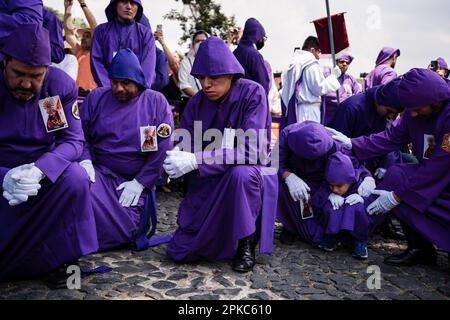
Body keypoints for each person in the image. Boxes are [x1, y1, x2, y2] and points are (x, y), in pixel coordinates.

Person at [164, 37, 277, 273]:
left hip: (245, 171)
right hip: (208, 176)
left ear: (231, 74)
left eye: (213, 78)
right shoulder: (196, 103)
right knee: (180, 251)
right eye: (201, 78)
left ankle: (246, 241)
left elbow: (252, 150)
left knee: (241, 174)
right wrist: (177, 156)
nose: (206, 84)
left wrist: (197, 159)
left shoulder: (253, 94)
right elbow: (186, 143)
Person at [0, 24, 98, 283]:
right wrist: (4, 177)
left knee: (75, 178)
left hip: (39, 172)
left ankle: (60, 258)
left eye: (36, 76)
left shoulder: (54, 87)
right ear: (5, 61)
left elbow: (73, 140)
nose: (26, 83)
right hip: (2, 172)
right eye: (19, 73)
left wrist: (41, 169)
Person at [329, 68, 450, 266]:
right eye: (409, 109)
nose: (413, 114)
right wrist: (354, 144)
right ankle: (420, 248)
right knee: (397, 175)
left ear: (434, 101)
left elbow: (441, 164)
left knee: (402, 190)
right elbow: (391, 137)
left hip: (443, 174)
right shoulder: (414, 110)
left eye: (418, 109)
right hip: (429, 175)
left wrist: (397, 196)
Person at [79, 48, 173, 251]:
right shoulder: (96, 98)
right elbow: (81, 135)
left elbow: (163, 149)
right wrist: (85, 161)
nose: (119, 88)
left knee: (125, 229)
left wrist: (141, 182)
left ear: (138, 81)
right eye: (114, 82)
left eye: (126, 83)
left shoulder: (155, 102)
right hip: (100, 175)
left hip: (134, 180)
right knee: (77, 191)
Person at [276, 121, 374, 246]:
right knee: (279, 187)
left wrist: (367, 177)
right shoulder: (286, 136)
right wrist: (287, 176)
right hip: (295, 182)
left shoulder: (335, 143)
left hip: (325, 185)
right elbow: (273, 163)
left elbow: (352, 165)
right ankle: (291, 226)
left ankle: (332, 233)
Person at [312, 151, 371, 259]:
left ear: (350, 180)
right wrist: (328, 195)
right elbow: (317, 198)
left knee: (357, 207)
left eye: (339, 185)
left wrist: (362, 198)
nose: (335, 189)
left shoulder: (360, 184)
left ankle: (359, 240)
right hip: (334, 223)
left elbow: (372, 202)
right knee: (330, 206)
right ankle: (331, 236)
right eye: (331, 186)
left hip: (355, 224)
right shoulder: (329, 187)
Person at [90, 0, 156, 88]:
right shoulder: (101, 31)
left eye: (133, 3)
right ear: (115, 5)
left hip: (136, 93)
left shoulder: (146, 34)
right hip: (107, 91)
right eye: (124, 2)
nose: (129, 7)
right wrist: (110, 88)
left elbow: (148, 68)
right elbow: (96, 62)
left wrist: (137, 89)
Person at [280, 36, 341, 129]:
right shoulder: (310, 63)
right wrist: (333, 76)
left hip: (299, 109)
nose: (319, 56)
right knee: (310, 139)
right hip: (309, 111)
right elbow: (319, 88)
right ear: (312, 50)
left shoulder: (295, 62)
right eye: (319, 51)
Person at [64, 0, 98, 95]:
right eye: (83, 36)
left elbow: (94, 27)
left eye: (88, 36)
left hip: (91, 95)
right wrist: (68, 7)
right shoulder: (79, 50)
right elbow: (69, 33)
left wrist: (82, 4)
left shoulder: (97, 52)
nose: (83, 38)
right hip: (75, 94)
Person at [233, 18, 270, 95]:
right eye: (263, 38)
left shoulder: (233, 54)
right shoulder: (254, 55)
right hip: (251, 101)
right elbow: (263, 83)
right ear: (258, 36)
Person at [323, 54, 361, 125]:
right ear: (336, 63)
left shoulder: (350, 79)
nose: (344, 64)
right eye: (342, 61)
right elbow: (326, 94)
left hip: (345, 118)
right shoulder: (327, 76)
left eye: (347, 63)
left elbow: (358, 95)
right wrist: (344, 100)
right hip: (328, 118)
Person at [178, 30, 209, 114]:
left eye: (203, 41)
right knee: (195, 127)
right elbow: (184, 85)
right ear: (193, 44)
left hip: (209, 104)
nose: (200, 43)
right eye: (197, 41)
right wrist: (201, 98)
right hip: (191, 103)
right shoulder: (186, 61)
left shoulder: (212, 61)